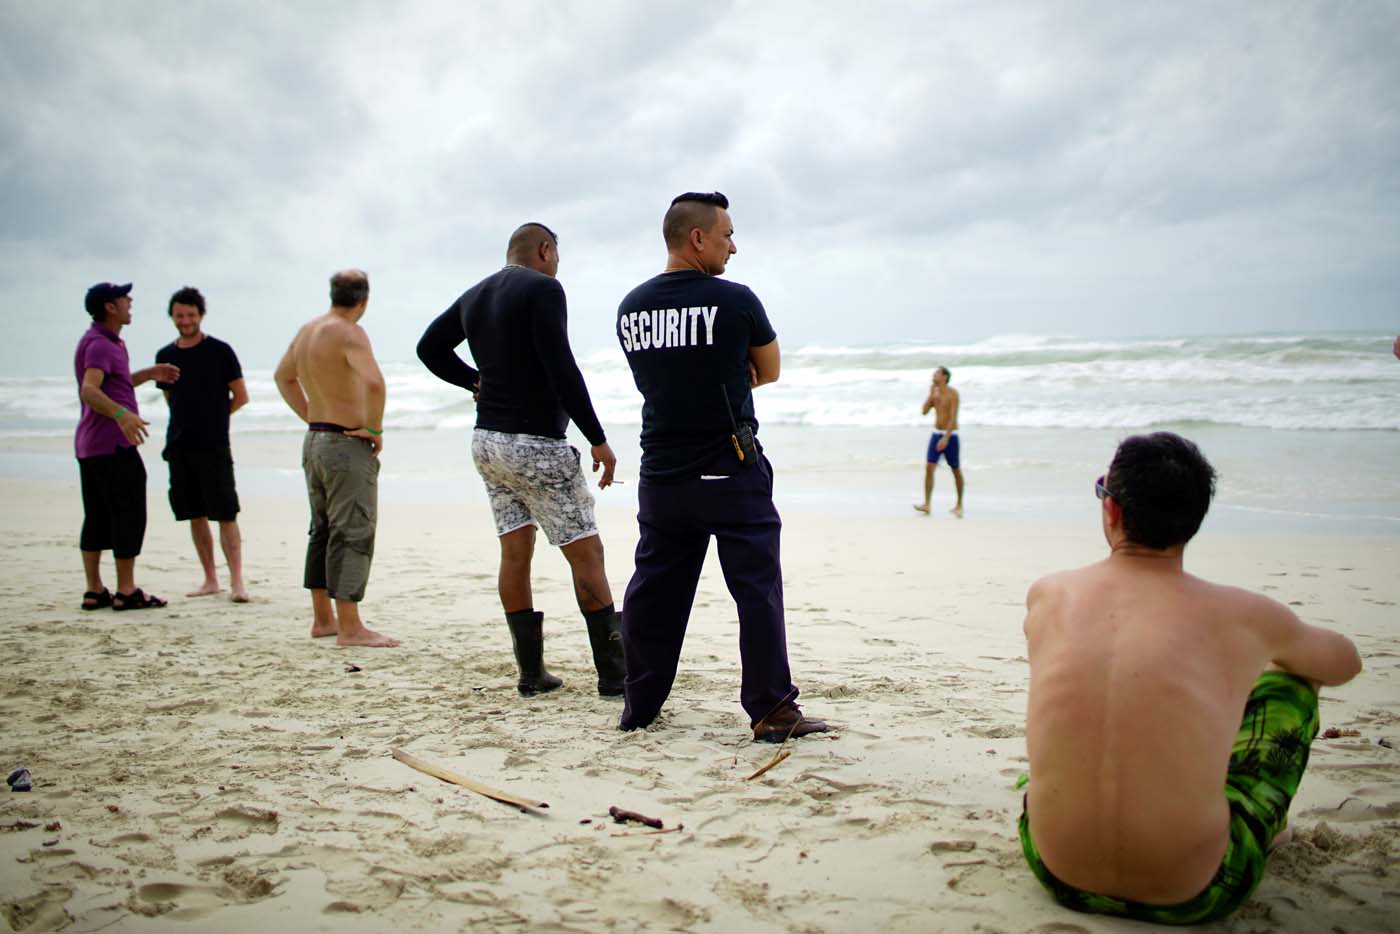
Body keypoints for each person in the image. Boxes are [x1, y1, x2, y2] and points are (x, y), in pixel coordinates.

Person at [1020, 431, 1362, 924]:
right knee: (1292, 685)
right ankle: (1270, 828)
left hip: (1057, 872)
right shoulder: (1243, 615)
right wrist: (1263, 655)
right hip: (1194, 892)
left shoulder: (1048, 595)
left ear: (1112, 511)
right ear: (1194, 521)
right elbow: (1344, 664)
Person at [613, 191, 831, 743]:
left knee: (653, 591)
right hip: (728, 470)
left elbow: (662, 377)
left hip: (660, 473)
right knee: (756, 590)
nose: (734, 246)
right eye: (727, 234)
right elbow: (770, 369)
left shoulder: (630, 307)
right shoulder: (735, 301)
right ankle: (771, 710)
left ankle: (639, 705)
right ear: (697, 238)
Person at [417, 223, 624, 697]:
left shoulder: (475, 294)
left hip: (488, 443)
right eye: (557, 258)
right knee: (586, 552)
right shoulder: (544, 289)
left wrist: (475, 381)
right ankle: (614, 676)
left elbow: (429, 349)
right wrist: (597, 438)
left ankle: (532, 675)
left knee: (515, 551)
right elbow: (561, 365)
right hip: (536, 446)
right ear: (545, 250)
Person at [274, 270, 398, 648]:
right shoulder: (349, 332)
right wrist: (374, 430)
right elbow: (375, 383)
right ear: (364, 300)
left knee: (322, 530)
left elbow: (284, 378)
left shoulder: (308, 330)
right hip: (345, 444)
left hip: (315, 439)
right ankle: (350, 626)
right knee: (353, 529)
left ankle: (323, 619)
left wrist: (311, 415)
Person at [73, 282, 180, 611]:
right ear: (110, 307)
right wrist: (122, 415)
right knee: (128, 514)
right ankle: (126, 590)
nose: (130, 301)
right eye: (124, 298)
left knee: (97, 515)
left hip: (90, 445)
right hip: (112, 445)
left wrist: (146, 374)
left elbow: (110, 382)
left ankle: (94, 590)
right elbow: (90, 390)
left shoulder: (101, 341)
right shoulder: (101, 345)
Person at [155, 286, 250, 602]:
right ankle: (210, 578)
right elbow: (170, 399)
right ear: (172, 317)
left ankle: (237, 581)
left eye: (191, 315)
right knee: (193, 513)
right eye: (179, 315)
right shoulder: (165, 357)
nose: (185, 320)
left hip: (214, 446)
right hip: (180, 446)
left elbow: (241, 396)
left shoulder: (221, 351)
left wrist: (215, 418)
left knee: (226, 513)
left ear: (201, 315)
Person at [913, 366, 963, 517]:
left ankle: (959, 504)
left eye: (936, 374)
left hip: (951, 435)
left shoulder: (953, 394)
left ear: (945, 377)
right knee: (929, 467)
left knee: (955, 469)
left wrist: (946, 438)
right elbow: (924, 411)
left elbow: (953, 417)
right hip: (936, 433)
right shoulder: (935, 393)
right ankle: (927, 504)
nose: (933, 376)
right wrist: (930, 396)